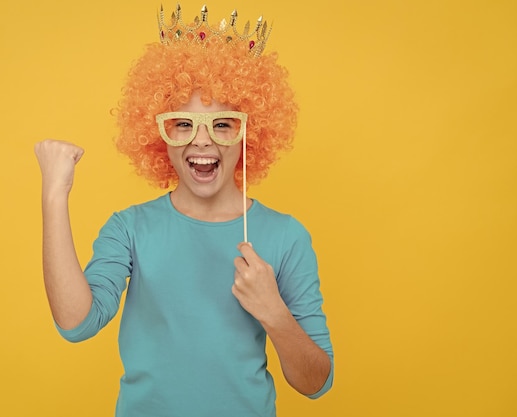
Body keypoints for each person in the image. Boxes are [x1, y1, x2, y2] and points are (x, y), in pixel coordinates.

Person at [34, 4, 333, 416]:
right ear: (159, 132)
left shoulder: (286, 236)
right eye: (183, 123)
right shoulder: (130, 228)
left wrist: (274, 313)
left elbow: (316, 383)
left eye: (223, 124)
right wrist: (54, 195)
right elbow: (76, 324)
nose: (203, 141)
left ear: (250, 132)